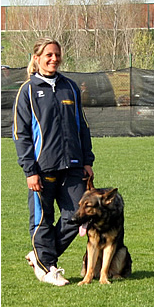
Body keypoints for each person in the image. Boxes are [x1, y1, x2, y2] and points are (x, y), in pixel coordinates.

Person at [13, 37, 95, 286]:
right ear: (36, 58)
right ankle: (48, 268)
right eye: (48, 55)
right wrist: (30, 169)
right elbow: (21, 134)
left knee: (77, 216)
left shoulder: (70, 87)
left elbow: (83, 127)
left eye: (57, 54)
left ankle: (41, 257)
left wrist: (87, 160)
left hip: (73, 165)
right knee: (42, 219)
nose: (54, 59)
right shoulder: (27, 91)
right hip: (42, 167)